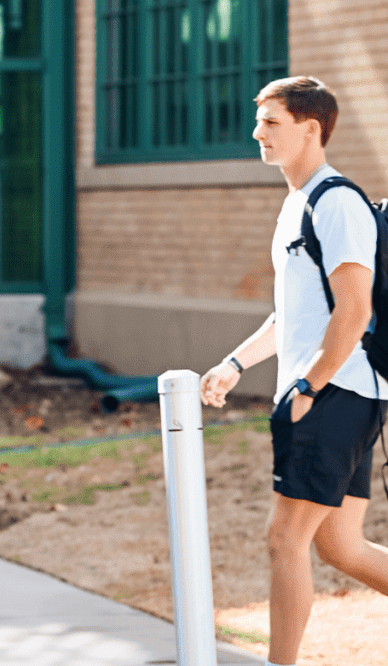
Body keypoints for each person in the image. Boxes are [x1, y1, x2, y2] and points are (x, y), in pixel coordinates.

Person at [200, 76, 388, 666]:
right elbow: (297, 314)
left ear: (312, 128)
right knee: (340, 546)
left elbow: (355, 309)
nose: (258, 132)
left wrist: (310, 384)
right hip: (335, 392)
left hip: (335, 393)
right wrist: (235, 364)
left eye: (272, 121)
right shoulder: (298, 204)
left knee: (285, 541)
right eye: (259, 120)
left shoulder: (336, 203)